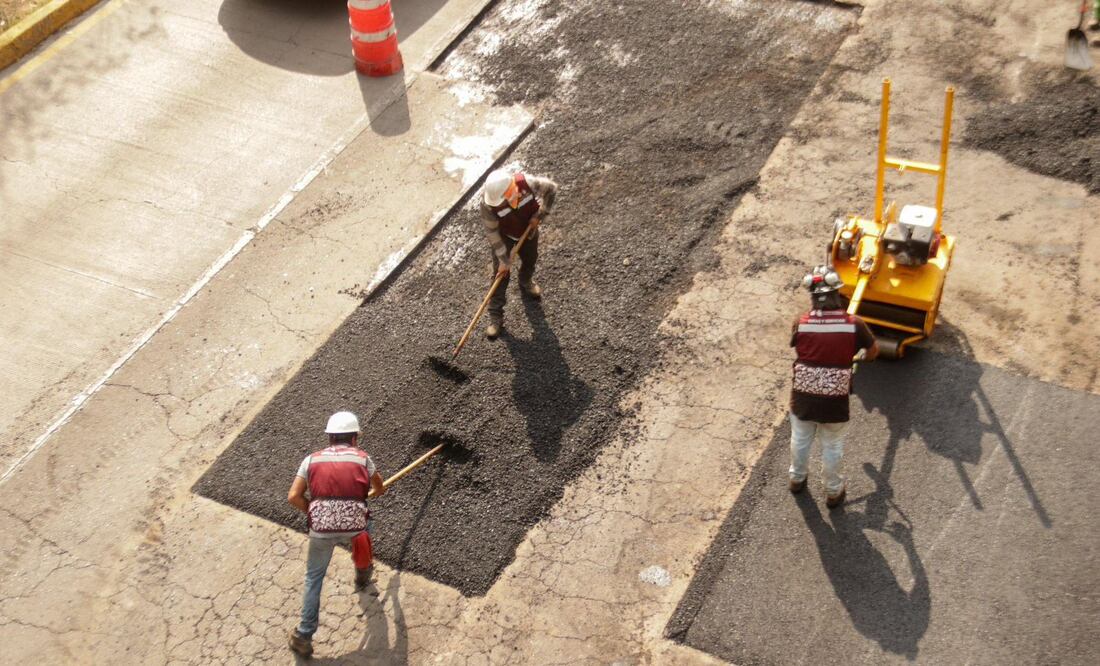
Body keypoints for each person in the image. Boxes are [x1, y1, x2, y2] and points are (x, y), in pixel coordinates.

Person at [287, 411, 386, 658]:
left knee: (314, 578)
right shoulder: (363, 459)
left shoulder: (310, 460)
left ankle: (304, 635)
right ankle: (362, 575)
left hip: (320, 528)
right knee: (365, 529)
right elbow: (379, 488)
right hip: (354, 524)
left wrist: (314, 511)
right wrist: (368, 494)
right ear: (354, 438)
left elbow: (293, 496)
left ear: (330, 437)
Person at [788, 266, 878, 508]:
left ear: (812, 297)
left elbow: (796, 346)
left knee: (800, 439)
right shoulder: (855, 324)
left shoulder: (800, 322)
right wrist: (859, 357)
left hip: (802, 398)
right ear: (838, 294)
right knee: (832, 445)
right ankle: (833, 492)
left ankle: (796, 479)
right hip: (834, 402)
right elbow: (873, 351)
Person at [480, 168, 559, 339]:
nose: (498, 205)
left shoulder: (527, 184)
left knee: (530, 259)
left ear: (510, 190)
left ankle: (525, 280)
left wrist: (540, 214)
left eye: (501, 201)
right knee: (501, 275)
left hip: (528, 231)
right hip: (504, 236)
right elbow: (492, 233)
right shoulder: (488, 204)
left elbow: (551, 189)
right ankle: (495, 316)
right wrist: (503, 259)